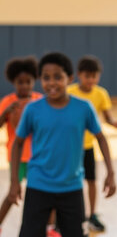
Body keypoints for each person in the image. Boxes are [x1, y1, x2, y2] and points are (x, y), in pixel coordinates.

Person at [9, 52, 116, 237]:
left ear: (70, 78)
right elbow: (17, 143)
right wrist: (14, 182)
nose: (52, 83)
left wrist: (111, 173)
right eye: (46, 77)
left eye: (58, 77)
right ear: (40, 79)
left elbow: (101, 137)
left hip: (71, 188)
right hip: (38, 186)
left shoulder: (83, 108)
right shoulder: (33, 109)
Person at [0, 57, 58, 237]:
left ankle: (50, 229)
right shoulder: (8, 101)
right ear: (13, 82)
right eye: (20, 82)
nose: (24, 86)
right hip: (17, 156)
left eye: (28, 82)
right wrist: (7, 113)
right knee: (12, 194)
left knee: (48, 194)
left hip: (39, 157)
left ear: (34, 81)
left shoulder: (40, 100)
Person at [67, 55, 117, 232]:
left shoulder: (101, 94)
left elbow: (106, 117)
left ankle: (92, 214)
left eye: (94, 76)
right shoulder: (70, 92)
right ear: (78, 75)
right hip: (70, 148)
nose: (91, 79)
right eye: (87, 76)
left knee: (91, 181)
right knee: (69, 182)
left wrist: (113, 123)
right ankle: (66, 216)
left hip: (89, 146)